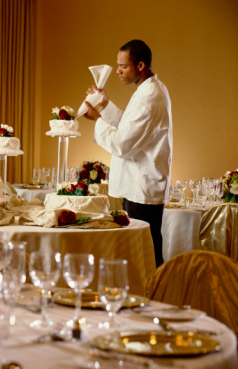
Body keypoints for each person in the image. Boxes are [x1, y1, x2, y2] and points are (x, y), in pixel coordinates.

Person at [83, 39, 172, 267]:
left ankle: (153, 296)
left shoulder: (148, 97)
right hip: (138, 185)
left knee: (144, 255)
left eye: (123, 66)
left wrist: (97, 119)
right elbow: (129, 126)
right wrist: (105, 104)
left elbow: (122, 144)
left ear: (140, 66)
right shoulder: (151, 88)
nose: (118, 71)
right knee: (144, 251)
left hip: (140, 187)